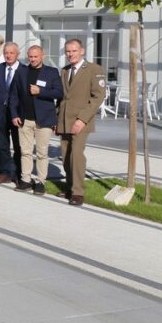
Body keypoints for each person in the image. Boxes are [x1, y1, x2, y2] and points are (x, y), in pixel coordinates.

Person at [57, 38, 106, 206]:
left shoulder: (93, 69)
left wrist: (82, 119)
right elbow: (62, 98)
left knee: (76, 155)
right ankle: (70, 187)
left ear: (82, 51)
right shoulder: (64, 71)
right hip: (64, 119)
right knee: (65, 156)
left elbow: (98, 96)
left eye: (74, 51)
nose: (70, 54)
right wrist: (57, 118)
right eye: (68, 51)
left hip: (81, 121)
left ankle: (78, 192)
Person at [9, 45, 63, 194]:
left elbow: (59, 93)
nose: (32, 59)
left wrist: (41, 91)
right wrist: (14, 114)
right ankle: (25, 180)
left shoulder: (51, 72)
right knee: (25, 152)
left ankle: (40, 181)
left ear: (42, 56)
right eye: (30, 57)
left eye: (35, 57)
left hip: (44, 120)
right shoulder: (21, 71)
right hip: (24, 119)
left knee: (42, 153)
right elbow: (13, 95)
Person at [0, 42, 22, 185]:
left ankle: (17, 172)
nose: (8, 55)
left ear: (17, 54)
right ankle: (5, 172)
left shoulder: (24, 70)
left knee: (18, 144)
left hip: (16, 113)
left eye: (11, 53)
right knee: (1, 144)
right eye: (6, 53)